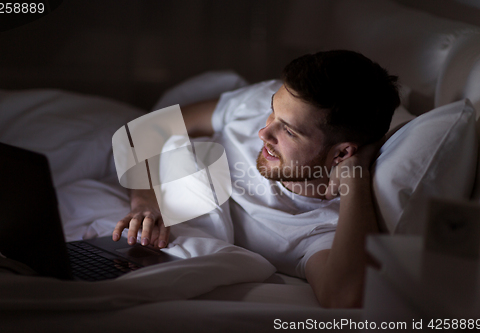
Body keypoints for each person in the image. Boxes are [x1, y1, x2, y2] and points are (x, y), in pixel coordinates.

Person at [112, 50, 400, 308]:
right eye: (272, 111)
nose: (263, 133)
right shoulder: (273, 103)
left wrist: (355, 174)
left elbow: (344, 297)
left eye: (288, 131)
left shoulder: (320, 227)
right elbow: (148, 129)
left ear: (342, 153)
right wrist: (144, 201)